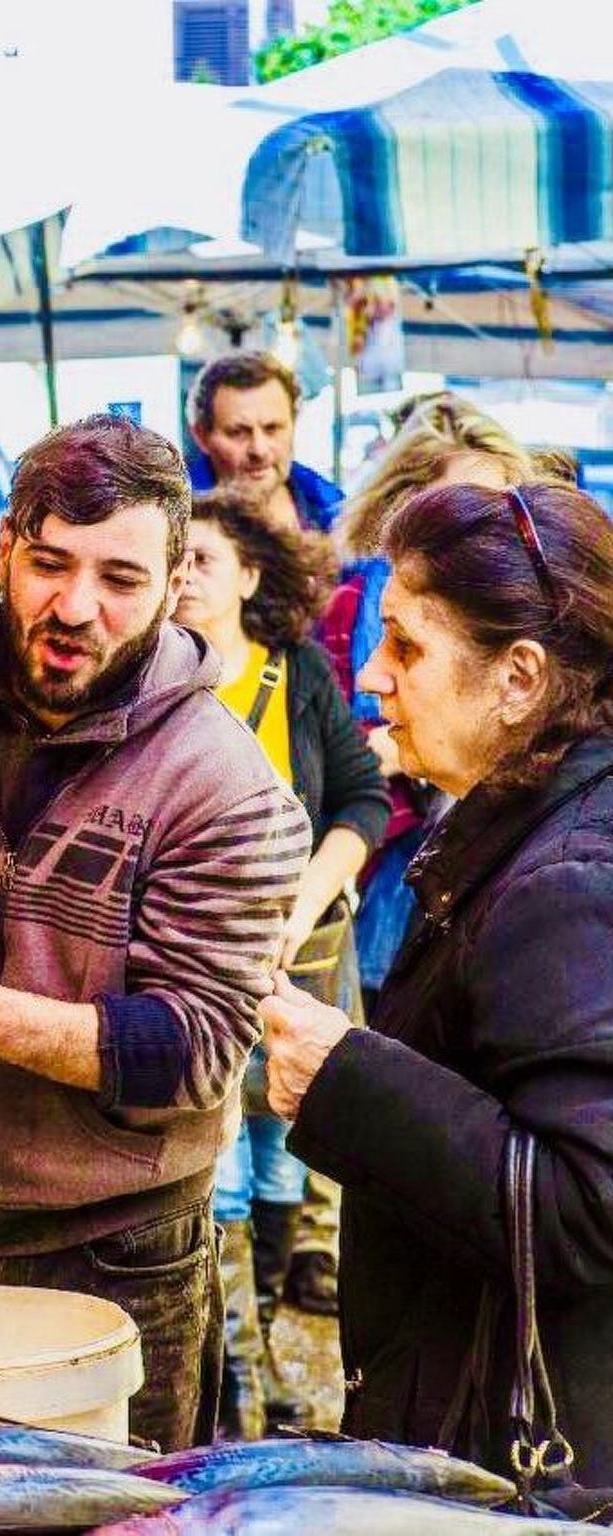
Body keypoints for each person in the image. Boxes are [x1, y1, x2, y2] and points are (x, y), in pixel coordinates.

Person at [0, 414, 310, 1450]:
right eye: (47, 564)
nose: (72, 608)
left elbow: (197, 1050)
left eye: (119, 579)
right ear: (4, 549)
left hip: (117, 1252)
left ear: (174, 578)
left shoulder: (225, 789)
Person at [261, 480, 613, 1491]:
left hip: (522, 1447)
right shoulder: (514, 818)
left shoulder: (566, 879)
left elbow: (587, 1208)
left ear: (517, 678)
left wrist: (345, 1079)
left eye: (406, 647)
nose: (370, 675)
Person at [294, 400, 537, 1319]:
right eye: (451, 513)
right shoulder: (367, 599)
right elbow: (348, 738)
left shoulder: (558, 866)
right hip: (397, 852)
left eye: (495, 512)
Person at [173, 489, 390, 1438]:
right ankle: (233, 1385)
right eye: (173, 562)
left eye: (203, 562)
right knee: (213, 1175)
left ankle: (256, 1350)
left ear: (251, 577)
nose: (182, 580)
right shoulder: (149, 680)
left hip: (299, 969)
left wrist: (306, 897)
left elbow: (362, 798)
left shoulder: (296, 672)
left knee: (279, 1168)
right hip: (197, 980)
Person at [188, 352, 341, 533]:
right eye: (238, 433)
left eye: (272, 428)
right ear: (201, 436)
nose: (259, 450)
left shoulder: (336, 513)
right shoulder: (173, 524)